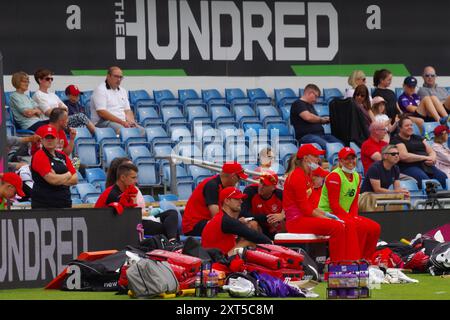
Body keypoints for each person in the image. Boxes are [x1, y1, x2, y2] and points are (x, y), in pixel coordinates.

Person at [282, 144, 348, 262]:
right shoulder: (297, 176)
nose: (318, 159)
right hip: (296, 221)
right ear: (306, 158)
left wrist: (327, 215)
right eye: (315, 156)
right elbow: (306, 209)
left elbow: (311, 206)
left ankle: (340, 262)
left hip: (302, 219)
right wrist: (327, 219)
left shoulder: (307, 175)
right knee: (337, 227)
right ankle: (337, 265)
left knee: (340, 224)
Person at [319, 147, 381, 260]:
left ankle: (366, 259)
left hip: (342, 214)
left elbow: (354, 202)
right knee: (359, 226)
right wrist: (351, 219)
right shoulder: (334, 176)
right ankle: (354, 260)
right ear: (341, 161)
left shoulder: (357, 176)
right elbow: (334, 205)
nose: (351, 161)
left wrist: (354, 217)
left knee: (375, 228)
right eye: (347, 159)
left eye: (353, 158)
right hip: (328, 214)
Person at [96, 162, 180, 244]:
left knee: (172, 213)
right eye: (133, 178)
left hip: (134, 219)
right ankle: (173, 243)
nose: (136, 181)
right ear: (122, 177)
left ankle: (172, 241)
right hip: (121, 226)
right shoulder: (112, 194)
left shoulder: (128, 190)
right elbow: (122, 219)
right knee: (166, 228)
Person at [182, 162, 249, 236]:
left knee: (245, 226)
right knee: (228, 226)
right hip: (194, 225)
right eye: (238, 177)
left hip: (207, 222)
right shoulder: (212, 185)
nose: (238, 181)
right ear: (233, 176)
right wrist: (235, 222)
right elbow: (216, 216)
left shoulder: (224, 186)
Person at [201, 187, 272, 256]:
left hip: (213, 258)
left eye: (241, 199)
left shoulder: (222, 218)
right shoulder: (226, 220)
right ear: (227, 201)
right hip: (219, 261)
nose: (241, 201)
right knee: (248, 241)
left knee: (245, 238)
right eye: (237, 199)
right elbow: (252, 234)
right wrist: (270, 243)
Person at [390, 116, 447, 189]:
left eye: (411, 125)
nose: (410, 127)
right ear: (400, 128)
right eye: (407, 126)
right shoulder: (396, 140)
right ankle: (429, 199)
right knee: (425, 180)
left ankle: (444, 198)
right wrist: (425, 157)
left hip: (426, 165)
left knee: (443, 177)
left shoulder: (417, 137)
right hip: (408, 166)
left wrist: (432, 158)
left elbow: (431, 151)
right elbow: (404, 156)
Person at [30, 125, 78, 209]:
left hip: (64, 203)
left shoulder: (62, 155)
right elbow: (53, 180)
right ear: (42, 140)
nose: (49, 140)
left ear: (57, 140)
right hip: (45, 206)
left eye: (52, 137)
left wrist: (58, 179)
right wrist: (68, 174)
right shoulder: (39, 155)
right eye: (47, 138)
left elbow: (75, 179)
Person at [290, 84, 343, 150]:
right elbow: (308, 117)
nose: (316, 100)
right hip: (306, 136)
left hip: (320, 135)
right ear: (310, 93)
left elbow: (314, 118)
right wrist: (321, 120)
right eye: (316, 96)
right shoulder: (298, 103)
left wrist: (324, 119)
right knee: (327, 147)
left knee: (340, 145)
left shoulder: (310, 105)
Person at [90, 66, 139, 133]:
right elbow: (102, 113)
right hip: (103, 122)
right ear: (108, 76)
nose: (119, 79)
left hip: (122, 123)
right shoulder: (100, 90)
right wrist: (122, 122)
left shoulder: (123, 91)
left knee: (142, 131)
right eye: (116, 76)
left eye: (120, 77)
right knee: (124, 132)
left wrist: (131, 122)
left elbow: (127, 110)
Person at [241, 171, 285, 239]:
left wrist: (282, 215)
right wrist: (267, 218)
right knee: (252, 224)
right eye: (261, 182)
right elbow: (244, 213)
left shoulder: (279, 195)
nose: (261, 186)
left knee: (285, 222)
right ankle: (255, 246)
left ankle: (284, 245)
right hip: (259, 226)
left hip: (274, 228)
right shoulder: (250, 191)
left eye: (265, 185)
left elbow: (293, 209)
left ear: (273, 187)